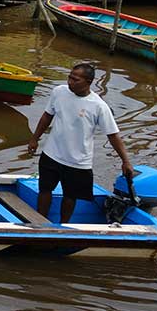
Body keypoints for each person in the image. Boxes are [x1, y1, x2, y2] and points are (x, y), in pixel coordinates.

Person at [27, 63, 135, 224]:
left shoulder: (99, 106)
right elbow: (47, 116)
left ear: (89, 81)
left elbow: (113, 135)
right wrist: (34, 139)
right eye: (70, 77)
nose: (70, 82)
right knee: (44, 190)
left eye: (75, 80)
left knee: (70, 196)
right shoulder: (59, 92)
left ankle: (63, 226)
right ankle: (39, 223)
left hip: (77, 162)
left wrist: (125, 161)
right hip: (51, 154)